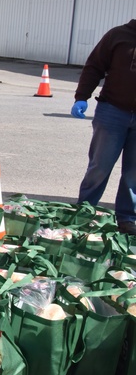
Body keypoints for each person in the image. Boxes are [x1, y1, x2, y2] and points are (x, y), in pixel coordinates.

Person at [71, 18, 136, 235]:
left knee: (134, 172)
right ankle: (86, 211)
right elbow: (94, 66)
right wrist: (82, 96)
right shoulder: (118, 36)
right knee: (100, 165)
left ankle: (127, 218)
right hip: (113, 111)